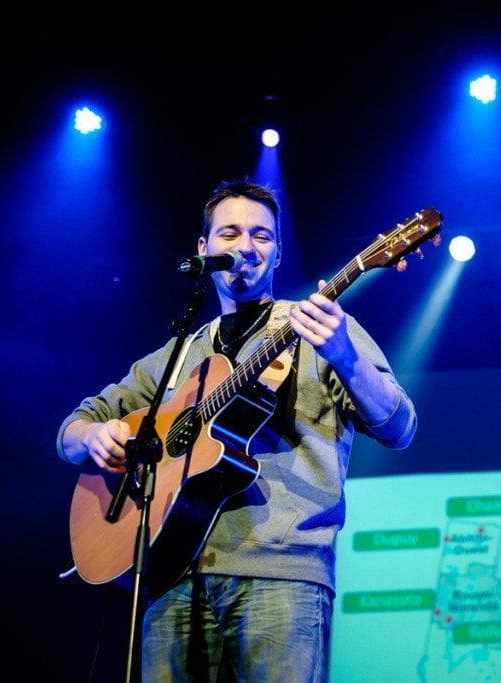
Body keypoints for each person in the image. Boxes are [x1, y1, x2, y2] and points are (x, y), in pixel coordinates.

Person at [57, 178, 418, 681]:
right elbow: (76, 426)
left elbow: (400, 426)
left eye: (261, 236)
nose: (245, 246)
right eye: (229, 233)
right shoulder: (181, 352)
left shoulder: (318, 325)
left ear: (277, 255)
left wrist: (347, 358)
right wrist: (93, 437)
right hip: (171, 577)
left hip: (281, 576)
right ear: (204, 250)